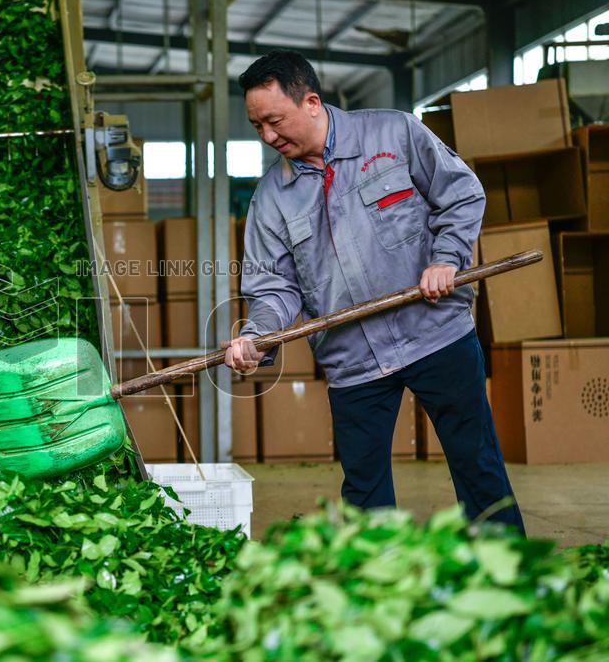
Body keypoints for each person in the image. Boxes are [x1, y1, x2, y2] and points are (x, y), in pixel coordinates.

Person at [223, 51, 525, 534]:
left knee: (478, 465)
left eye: (275, 121)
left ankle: (505, 566)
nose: (268, 137)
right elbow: (274, 287)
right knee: (364, 493)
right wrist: (258, 334)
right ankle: (376, 576)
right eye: (257, 126)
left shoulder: (394, 133)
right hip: (353, 361)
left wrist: (446, 258)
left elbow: (461, 194)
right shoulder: (270, 200)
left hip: (436, 333)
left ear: (311, 102)